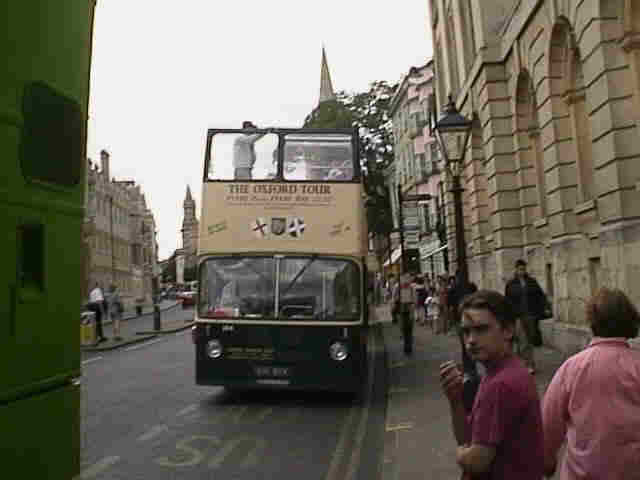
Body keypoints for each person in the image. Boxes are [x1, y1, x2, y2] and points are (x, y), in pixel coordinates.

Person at [439, 290, 544, 480]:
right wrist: (455, 400)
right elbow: (469, 437)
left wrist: (461, 454)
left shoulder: (500, 384)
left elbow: (477, 461)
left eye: (481, 329)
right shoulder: (500, 372)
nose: (471, 340)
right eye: (466, 331)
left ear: (508, 331)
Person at [542, 288, 640, 480]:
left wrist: (547, 460)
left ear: (592, 322)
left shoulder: (572, 367)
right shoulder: (637, 366)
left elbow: (549, 423)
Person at [505, 259, 548, 374]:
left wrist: (543, 309)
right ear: (516, 270)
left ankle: (524, 363)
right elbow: (507, 300)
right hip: (517, 316)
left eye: (523, 269)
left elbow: (540, 296)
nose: (522, 271)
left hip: (530, 314)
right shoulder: (511, 284)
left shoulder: (531, 282)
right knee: (522, 340)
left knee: (529, 339)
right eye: (519, 269)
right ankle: (527, 364)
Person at [398, 272, 416, 355]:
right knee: (404, 330)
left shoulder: (412, 288)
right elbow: (394, 299)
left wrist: (412, 308)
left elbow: (415, 300)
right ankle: (406, 347)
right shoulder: (398, 288)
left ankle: (409, 347)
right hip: (402, 311)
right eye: (404, 278)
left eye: (407, 278)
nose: (406, 280)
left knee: (409, 330)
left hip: (410, 310)